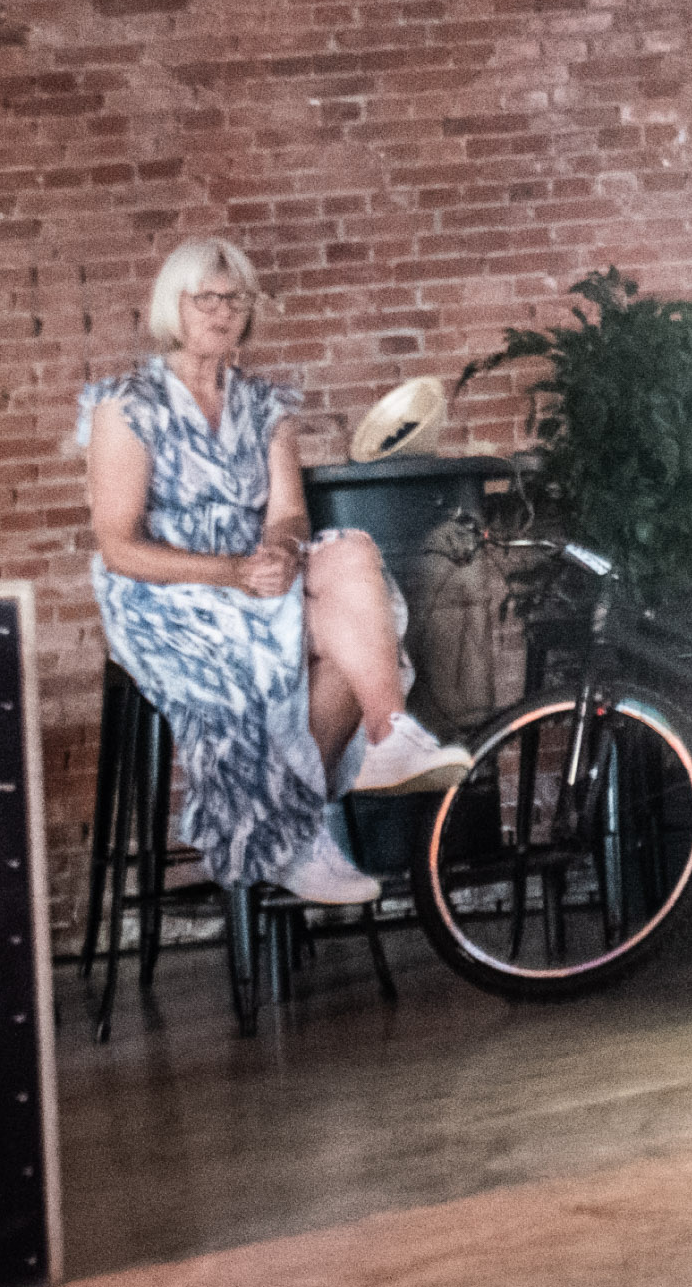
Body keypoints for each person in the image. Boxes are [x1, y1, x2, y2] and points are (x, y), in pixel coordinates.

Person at [80, 237, 464, 914]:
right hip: (165, 590)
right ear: (174, 304)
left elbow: (287, 511)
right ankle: (294, 835)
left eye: (237, 299)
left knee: (350, 566)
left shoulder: (266, 405)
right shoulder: (127, 403)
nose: (223, 311)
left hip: (253, 573)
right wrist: (230, 571)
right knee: (343, 638)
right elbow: (119, 545)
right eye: (208, 297)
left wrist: (282, 551)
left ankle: (388, 736)